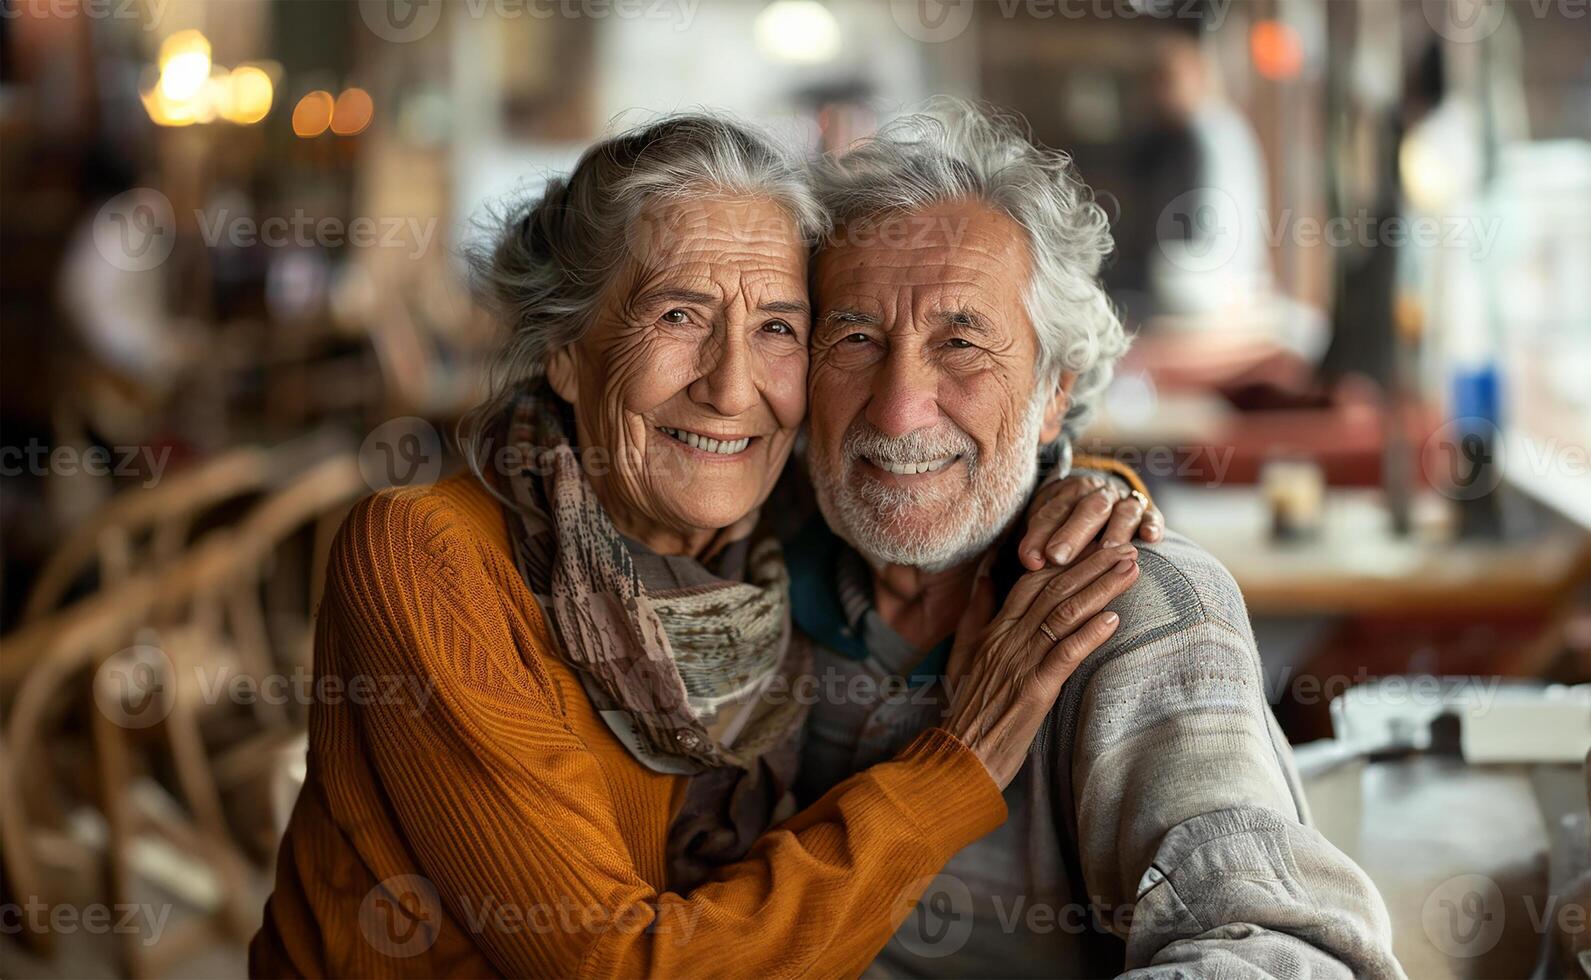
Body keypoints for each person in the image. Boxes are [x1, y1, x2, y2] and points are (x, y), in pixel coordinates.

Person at [249, 114, 1158, 978]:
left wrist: (1085, 493)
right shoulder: (426, 559)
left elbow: (932, 461)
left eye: (776, 328)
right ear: (567, 351)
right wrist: (956, 765)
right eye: (678, 315)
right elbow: (615, 965)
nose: (729, 390)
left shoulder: (766, 522)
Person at [794, 100, 1405, 978]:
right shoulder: (757, 563)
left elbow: (1277, 951)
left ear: (1053, 394)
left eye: (961, 344)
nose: (897, 410)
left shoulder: (1127, 609)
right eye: (853, 338)